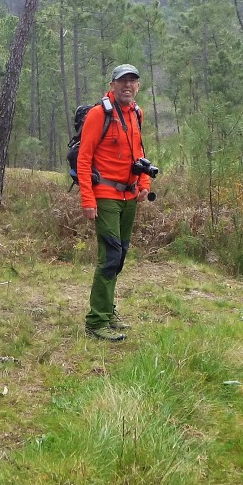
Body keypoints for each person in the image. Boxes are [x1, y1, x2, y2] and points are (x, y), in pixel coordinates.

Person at [76, 63, 153, 342]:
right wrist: (88, 199)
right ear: (112, 85)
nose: (127, 86)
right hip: (105, 195)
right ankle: (96, 321)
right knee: (110, 256)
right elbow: (84, 158)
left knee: (119, 256)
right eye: (122, 81)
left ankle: (108, 311)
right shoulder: (99, 115)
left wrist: (144, 183)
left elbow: (139, 152)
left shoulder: (136, 113)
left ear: (138, 86)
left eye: (132, 81)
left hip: (129, 196)